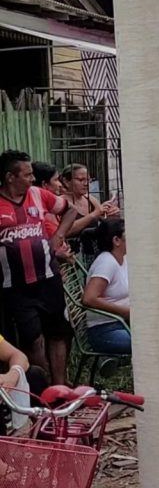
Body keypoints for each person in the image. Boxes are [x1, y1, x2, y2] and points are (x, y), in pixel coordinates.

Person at [0, 150, 77, 386]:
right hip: (14, 286)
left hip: (48, 278)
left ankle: (61, 388)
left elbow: (69, 210)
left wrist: (58, 237)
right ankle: (42, 391)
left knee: (58, 333)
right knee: (32, 338)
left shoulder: (38, 195)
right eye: (27, 174)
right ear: (10, 177)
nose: (32, 178)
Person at [81, 218, 131, 355]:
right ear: (116, 240)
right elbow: (89, 298)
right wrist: (124, 311)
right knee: (147, 342)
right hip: (104, 330)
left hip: (123, 323)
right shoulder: (107, 263)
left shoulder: (124, 258)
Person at [61, 164, 120, 245]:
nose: (86, 184)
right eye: (81, 180)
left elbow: (102, 218)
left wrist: (110, 213)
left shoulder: (90, 199)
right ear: (66, 181)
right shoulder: (61, 202)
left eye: (88, 180)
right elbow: (64, 232)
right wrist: (94, 214)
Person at [32, 162, 63, 239]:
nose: (60, 184)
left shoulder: (54, 206)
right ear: (44, 184)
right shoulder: (43, 214)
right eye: (56, 180)